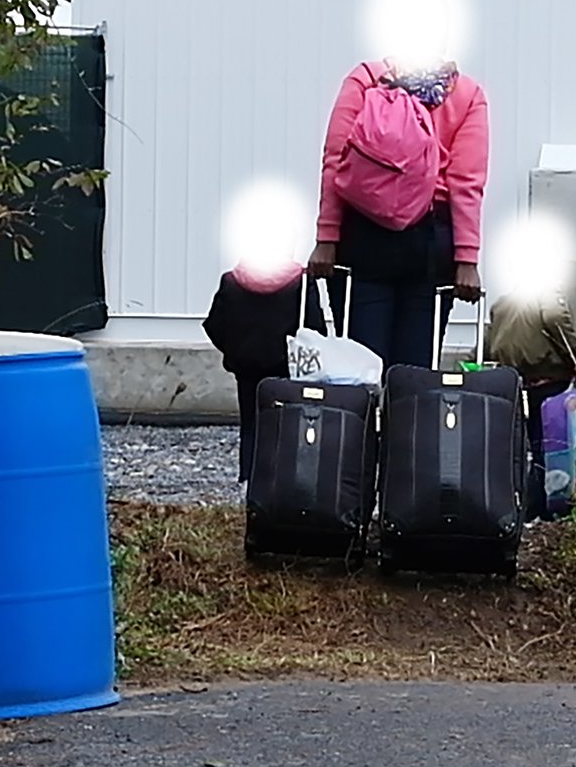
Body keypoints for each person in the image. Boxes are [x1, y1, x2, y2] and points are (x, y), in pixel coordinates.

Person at [309, 58, 488, 371]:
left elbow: (336, 161)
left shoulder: (365, 79)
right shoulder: (467, 94)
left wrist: (327, 237)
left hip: (362, 233)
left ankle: (366, 420)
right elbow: (466, 181)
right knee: (414, 373)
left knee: (360, 369)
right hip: (431, 241)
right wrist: (467, 260)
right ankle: (408, 418)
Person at [202, 257, 305, 487]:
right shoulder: (301, 282)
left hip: (246, 367)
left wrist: (235, 351)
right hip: (287, 369)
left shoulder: (231, 281)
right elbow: (313, 328)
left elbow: (214, 324)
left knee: (250, 425)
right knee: (288, 427)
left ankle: (248, 480)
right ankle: (286, 482)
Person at [487, 290, 576, 520]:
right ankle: (546, 506)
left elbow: (491, 334)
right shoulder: (545, 289)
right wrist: (574, 358)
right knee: (548, 446)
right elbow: (553, 316)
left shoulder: (505, 299)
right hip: (546, 377)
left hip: (513, 380)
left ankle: (524, 506)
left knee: (521, 446)